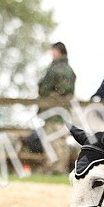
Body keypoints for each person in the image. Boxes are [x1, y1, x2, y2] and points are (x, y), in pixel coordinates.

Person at [37, 42, 76, 172]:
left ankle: (52, 169)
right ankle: (61, 169)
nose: (51, 53)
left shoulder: (55, 68)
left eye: (53, 51)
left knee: (51, 141)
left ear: (58, 51)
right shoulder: (70, 70)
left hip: (52, 112)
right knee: (62, 141)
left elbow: (44, 88)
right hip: (64, 112)